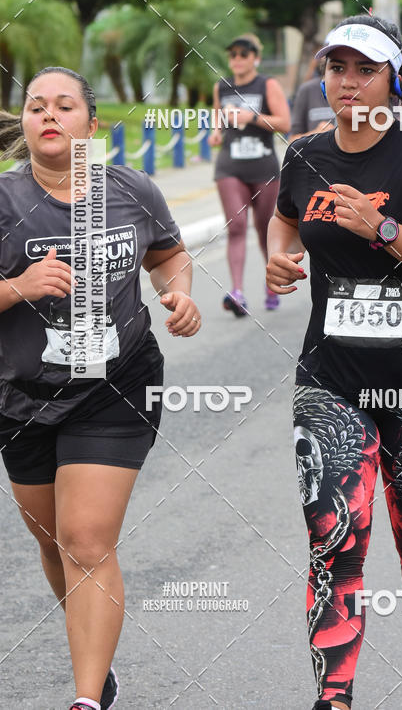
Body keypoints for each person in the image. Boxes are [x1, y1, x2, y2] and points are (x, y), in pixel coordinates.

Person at [266, 15, 402, 710]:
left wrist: (384, 229)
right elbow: (287, 214)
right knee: (334, 536)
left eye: (364, 69)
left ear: (392, 77)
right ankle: (334, 699)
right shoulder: (303, 155)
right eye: (336, 68)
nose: (348, 82)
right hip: (331, 380)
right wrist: (279, 252)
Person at [0, 66, 201, 710]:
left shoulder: (131, 189)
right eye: (36, 107)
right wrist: (18, 288)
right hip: (22, 394)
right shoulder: (4, 202)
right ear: (26, 123)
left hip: (116, 383)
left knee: (86, 537)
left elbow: (168, 253)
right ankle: (97, 651)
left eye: (64, 106)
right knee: (54, 540)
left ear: (92, 123)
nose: (49, 115)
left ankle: (88, 698)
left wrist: (178, 293)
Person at [208, 33, 291, 315]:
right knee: (236, 226)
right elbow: (218, 121)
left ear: (255, 57)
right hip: (230, 165)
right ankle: (237, 292)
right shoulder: (221, 86)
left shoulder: (266, 84)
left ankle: (272, 284)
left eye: (244, 54)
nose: (238, 60)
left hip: (263, 167)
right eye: (233, 55)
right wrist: (216, 134)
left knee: (265, 229)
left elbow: (284, 122)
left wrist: (251, 117)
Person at [289, 68, 336, 142]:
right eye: (336, 68)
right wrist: (316, 134)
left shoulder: (356, 90)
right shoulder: (307, 90)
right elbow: (292, 141)